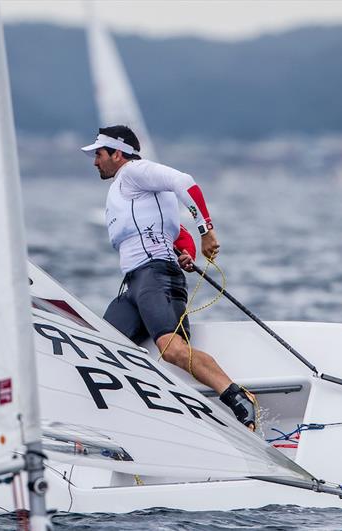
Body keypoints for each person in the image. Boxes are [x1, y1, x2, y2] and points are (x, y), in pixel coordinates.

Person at [81, 125, 257, 431]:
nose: (95, 161)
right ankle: (115, 424)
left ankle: (238, 397)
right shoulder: (128, 190)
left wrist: (207, 231)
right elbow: (175, 232)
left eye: (99, 154)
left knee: (171, 349)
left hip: (155, 278)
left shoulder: (135, 172)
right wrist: (185, 250)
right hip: (136, 284)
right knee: (99, 349)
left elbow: (184, 183)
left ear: (117, 154)